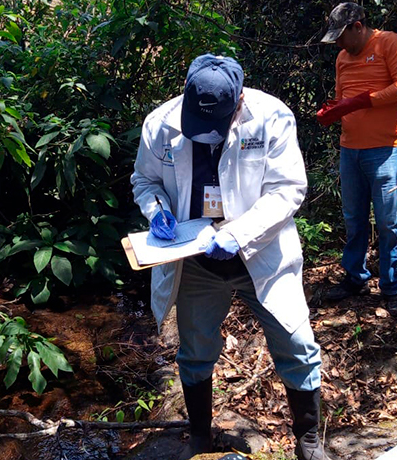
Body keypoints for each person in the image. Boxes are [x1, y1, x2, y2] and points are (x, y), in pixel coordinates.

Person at [131, 54, 328, 460]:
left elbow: (287, 189)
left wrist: (238, 234)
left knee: (296, 342)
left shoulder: (272, 117)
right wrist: (157, 211)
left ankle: (308, 440)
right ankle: (201, 436)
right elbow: (145, 180)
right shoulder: (160, 124)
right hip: (196, 260)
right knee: (196, 348)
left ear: (238, 101)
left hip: (261, 253)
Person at [317, 2, 397, 317]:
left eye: (341, 35)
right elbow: (343, 97)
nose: (337, 43)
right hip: (350, 149)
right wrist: (332, 110)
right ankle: (355, 278)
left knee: (387, 222)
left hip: (386, 148)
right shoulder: (342, 58)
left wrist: (364, 100)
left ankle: (391, 288)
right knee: (354, 218)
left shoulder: (388, 42)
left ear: (358, 27)